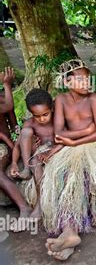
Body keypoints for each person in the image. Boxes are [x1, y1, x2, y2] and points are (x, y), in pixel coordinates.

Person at [42, 59, 96, 260]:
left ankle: (71, 232)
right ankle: (68, 231)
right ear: (68, 82)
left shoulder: (93, 99)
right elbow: (59, 132)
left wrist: (73, 140)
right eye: (80, 80)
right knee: (64, 176)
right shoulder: (61, 100)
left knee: (85, 175)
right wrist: (82, 133)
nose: (86, 83)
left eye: (88, 79)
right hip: (73, 145)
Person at [9, 89, 62, 221]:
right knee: (26, 133)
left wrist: (50, 152)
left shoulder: (58, 120)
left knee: (37, 161)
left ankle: (40, 204)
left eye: (45, 114)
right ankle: (27, 169)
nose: (42, 119)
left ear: (51, 109)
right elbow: (17, 146)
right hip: (38, 153)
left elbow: (66, 140)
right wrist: (15, 163)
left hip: (56, 150)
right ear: (31, 114)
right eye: (37, 116)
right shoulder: (30, 123)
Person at [0, 67, 31, 231]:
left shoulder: (4, 101)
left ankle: (24, 207)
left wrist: (17, 144)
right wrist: (7, 84)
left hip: (4, 147)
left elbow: (14, 126)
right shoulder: (6, 100)